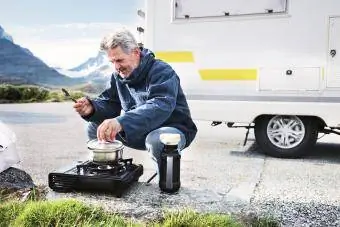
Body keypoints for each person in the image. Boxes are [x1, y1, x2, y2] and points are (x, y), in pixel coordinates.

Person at [73, 28, 197, 175]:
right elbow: (110, 103)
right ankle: (106, 174)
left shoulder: (162, 70)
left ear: (136, 52)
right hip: (139, 130)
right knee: (96, 127)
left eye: (119, 60)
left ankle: (165, 188)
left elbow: (160, 106)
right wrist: (92, 108)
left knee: (158, 140)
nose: (117, 67)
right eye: (112, 61)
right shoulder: (118, 76)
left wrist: (122, 122)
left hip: (171, 130)